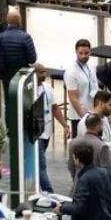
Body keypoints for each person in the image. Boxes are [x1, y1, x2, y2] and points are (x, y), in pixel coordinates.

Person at [32, 63, 61, 193]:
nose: (44, 75)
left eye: (44, 72)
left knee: (39, 164)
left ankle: (37, 189)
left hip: (47, 132)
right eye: (41, 72)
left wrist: (64, 125)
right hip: (36, 134)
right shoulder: (28, 91)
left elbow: (55, 108)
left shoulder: (48, 88)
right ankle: (49, 192)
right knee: (41, 164)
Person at [0, 8, 36, 87]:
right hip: (22, 74)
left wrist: (0, 72)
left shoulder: (0, 38)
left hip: (6, 74)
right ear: (19, 21)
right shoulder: (26, 37)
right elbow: (32, 59)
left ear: (7, 21)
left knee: (8, 94)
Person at [67, 112, 111, 181]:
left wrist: (76, 179)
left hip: (79, 183)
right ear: (98, 126)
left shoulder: (73, 143)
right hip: (96, 185)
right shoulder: (102, 146)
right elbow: (107, 171)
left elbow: (71, 166)